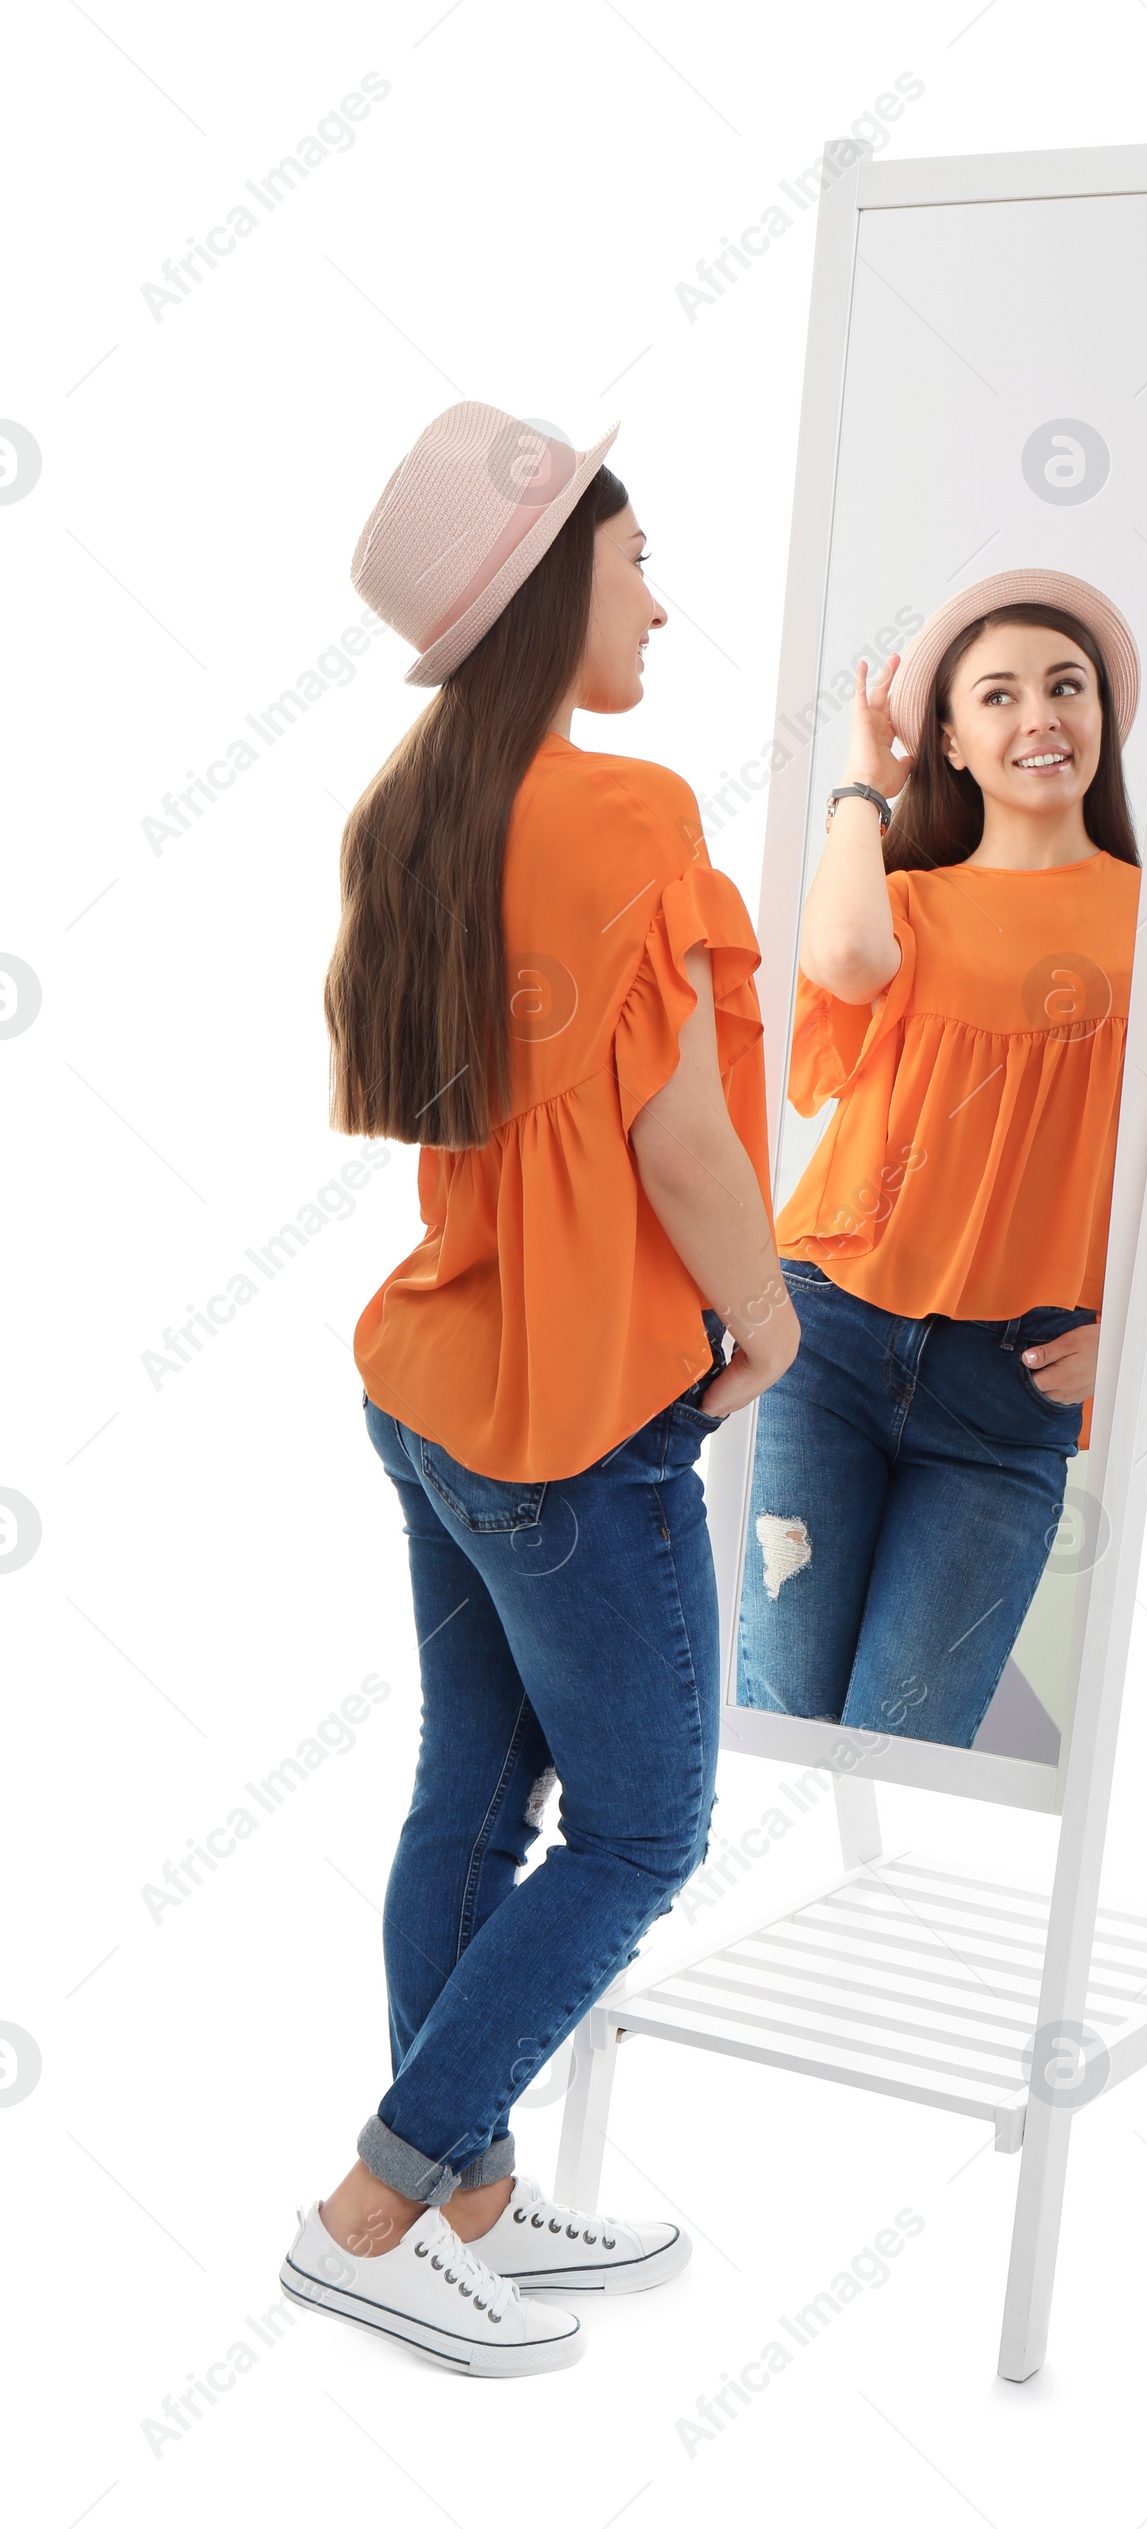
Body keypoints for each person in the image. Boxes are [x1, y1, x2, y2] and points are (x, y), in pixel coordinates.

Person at [280, 400, 796, 2377]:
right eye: (634, 559)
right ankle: (374, 2208)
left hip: (435, 1376)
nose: (659, 603)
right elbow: (677, 1138)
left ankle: (476, 2195)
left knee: (472, 1798)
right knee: (646, 1827)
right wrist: (769, 1317)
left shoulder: (415, 806)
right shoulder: (621, 812)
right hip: (576, 1409)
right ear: (544, 585)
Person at [737, 568, 1142, 1750]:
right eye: (1000, 696)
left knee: (904, 1744)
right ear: (954, 741)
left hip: (1011, 1385)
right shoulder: (905, 899)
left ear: (1102, 719)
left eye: (1066, 688)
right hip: (830, 1339)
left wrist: (1130, 1325)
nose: (1039, 719)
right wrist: (865, 783)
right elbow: (848, 959)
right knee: (784, 1726)